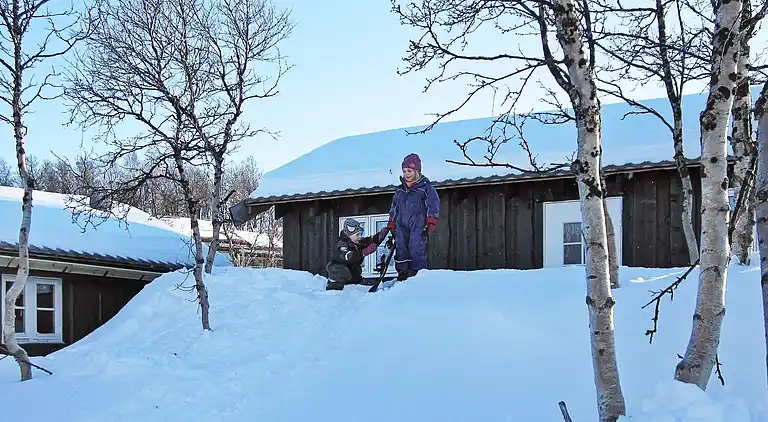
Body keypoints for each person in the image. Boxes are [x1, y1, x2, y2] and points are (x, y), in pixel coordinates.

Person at [386, 153, 440, 281]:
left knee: (416, 247)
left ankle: (418, 275)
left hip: (418, 223)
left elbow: (433, 204)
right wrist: (391, 222)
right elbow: (394, 207)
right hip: (401, 224)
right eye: (404, 171)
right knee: (401, 247)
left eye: (409, 170)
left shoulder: (425, 188)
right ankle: (403, 274)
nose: (406, 174)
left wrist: (431, 219)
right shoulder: (400, 191)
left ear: (417, 171)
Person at [325, 217, 389, 291]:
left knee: (354, 268)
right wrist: (363, 252)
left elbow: (368, 241)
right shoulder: (342, 244)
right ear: (348, 234)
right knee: (339, 268)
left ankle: (357, 281)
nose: (360, 237)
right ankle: (334, 285)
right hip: (338, 276)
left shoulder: (356, 242)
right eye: (357, 234)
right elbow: (347, 256)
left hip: (352, 276)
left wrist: (380, 236)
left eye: (361, 234)